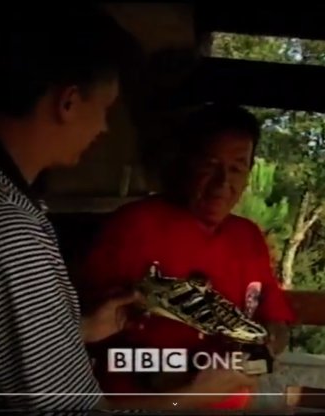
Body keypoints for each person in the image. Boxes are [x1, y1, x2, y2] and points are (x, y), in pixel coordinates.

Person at [0, 6, 253, 413]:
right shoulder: (2, 226)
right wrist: (192, 396)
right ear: (69, 102)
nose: (104, 128)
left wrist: (77, 329)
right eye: (105, 108)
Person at [81, 103, 297, 410]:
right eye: (210, 165)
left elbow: (276, 321)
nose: (222, 183)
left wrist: (266, 346)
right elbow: (93, 339)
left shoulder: (248, 236)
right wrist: (187, 377)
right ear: (185, 163)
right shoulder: (134, 226)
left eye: (236, 168)